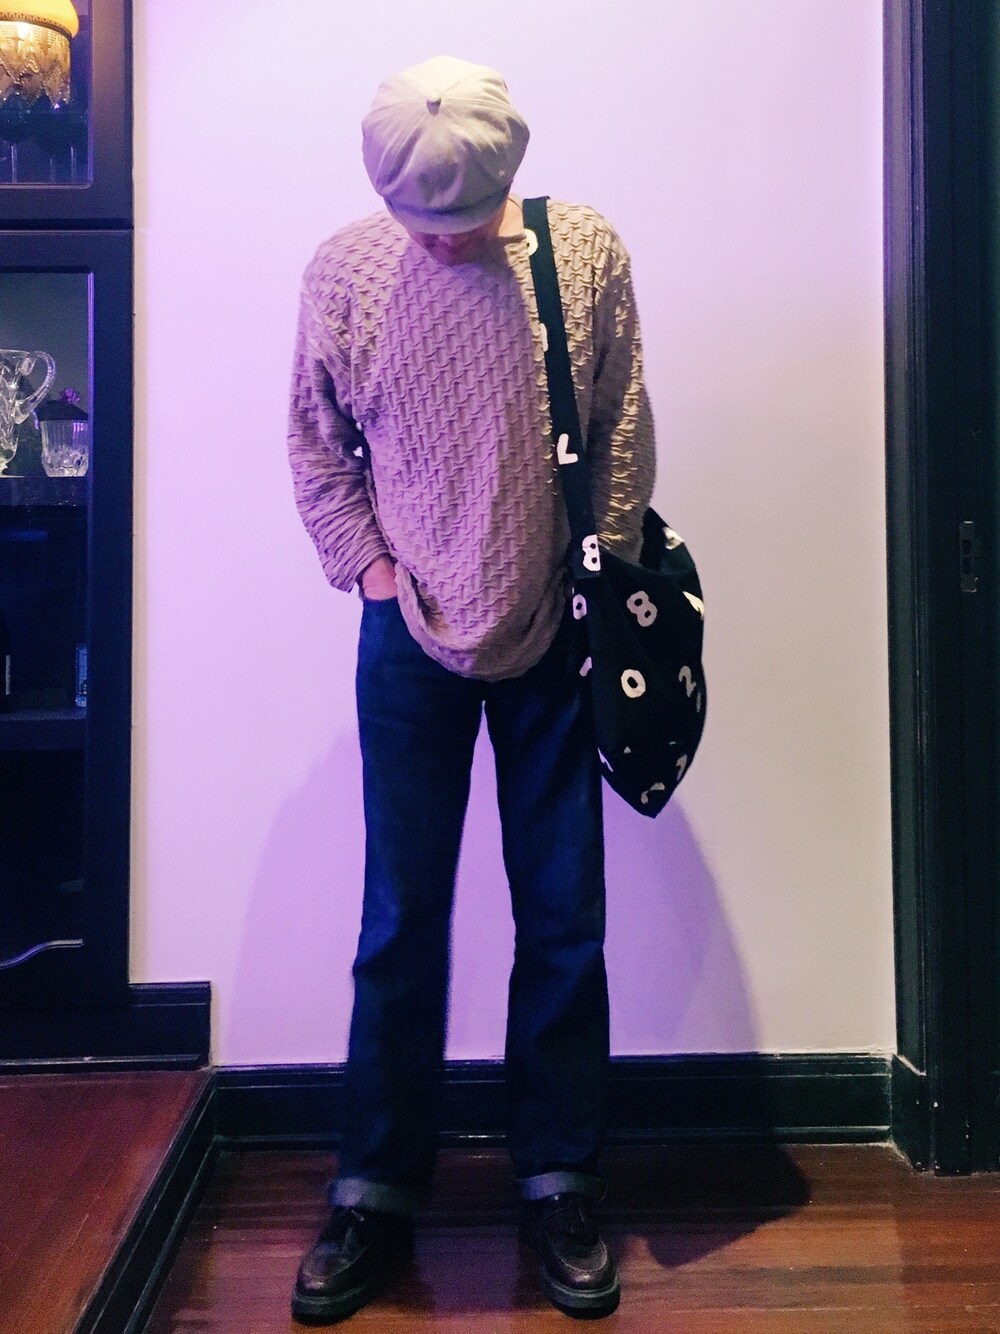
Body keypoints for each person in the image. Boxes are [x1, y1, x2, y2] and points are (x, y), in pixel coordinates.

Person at [286, 55, 655, 1323]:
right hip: (406, 639)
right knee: (400, 919)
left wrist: (598, 576)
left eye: (463, 217)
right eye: (416, 219)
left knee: (563, 917)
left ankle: (559, 1179)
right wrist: (373, 571)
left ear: (510, 177)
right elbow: (315, 448)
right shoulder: (344, 274)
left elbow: (620, 432)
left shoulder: (582, 255)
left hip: (552, 628)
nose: (440, 241)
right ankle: (374, 1189)